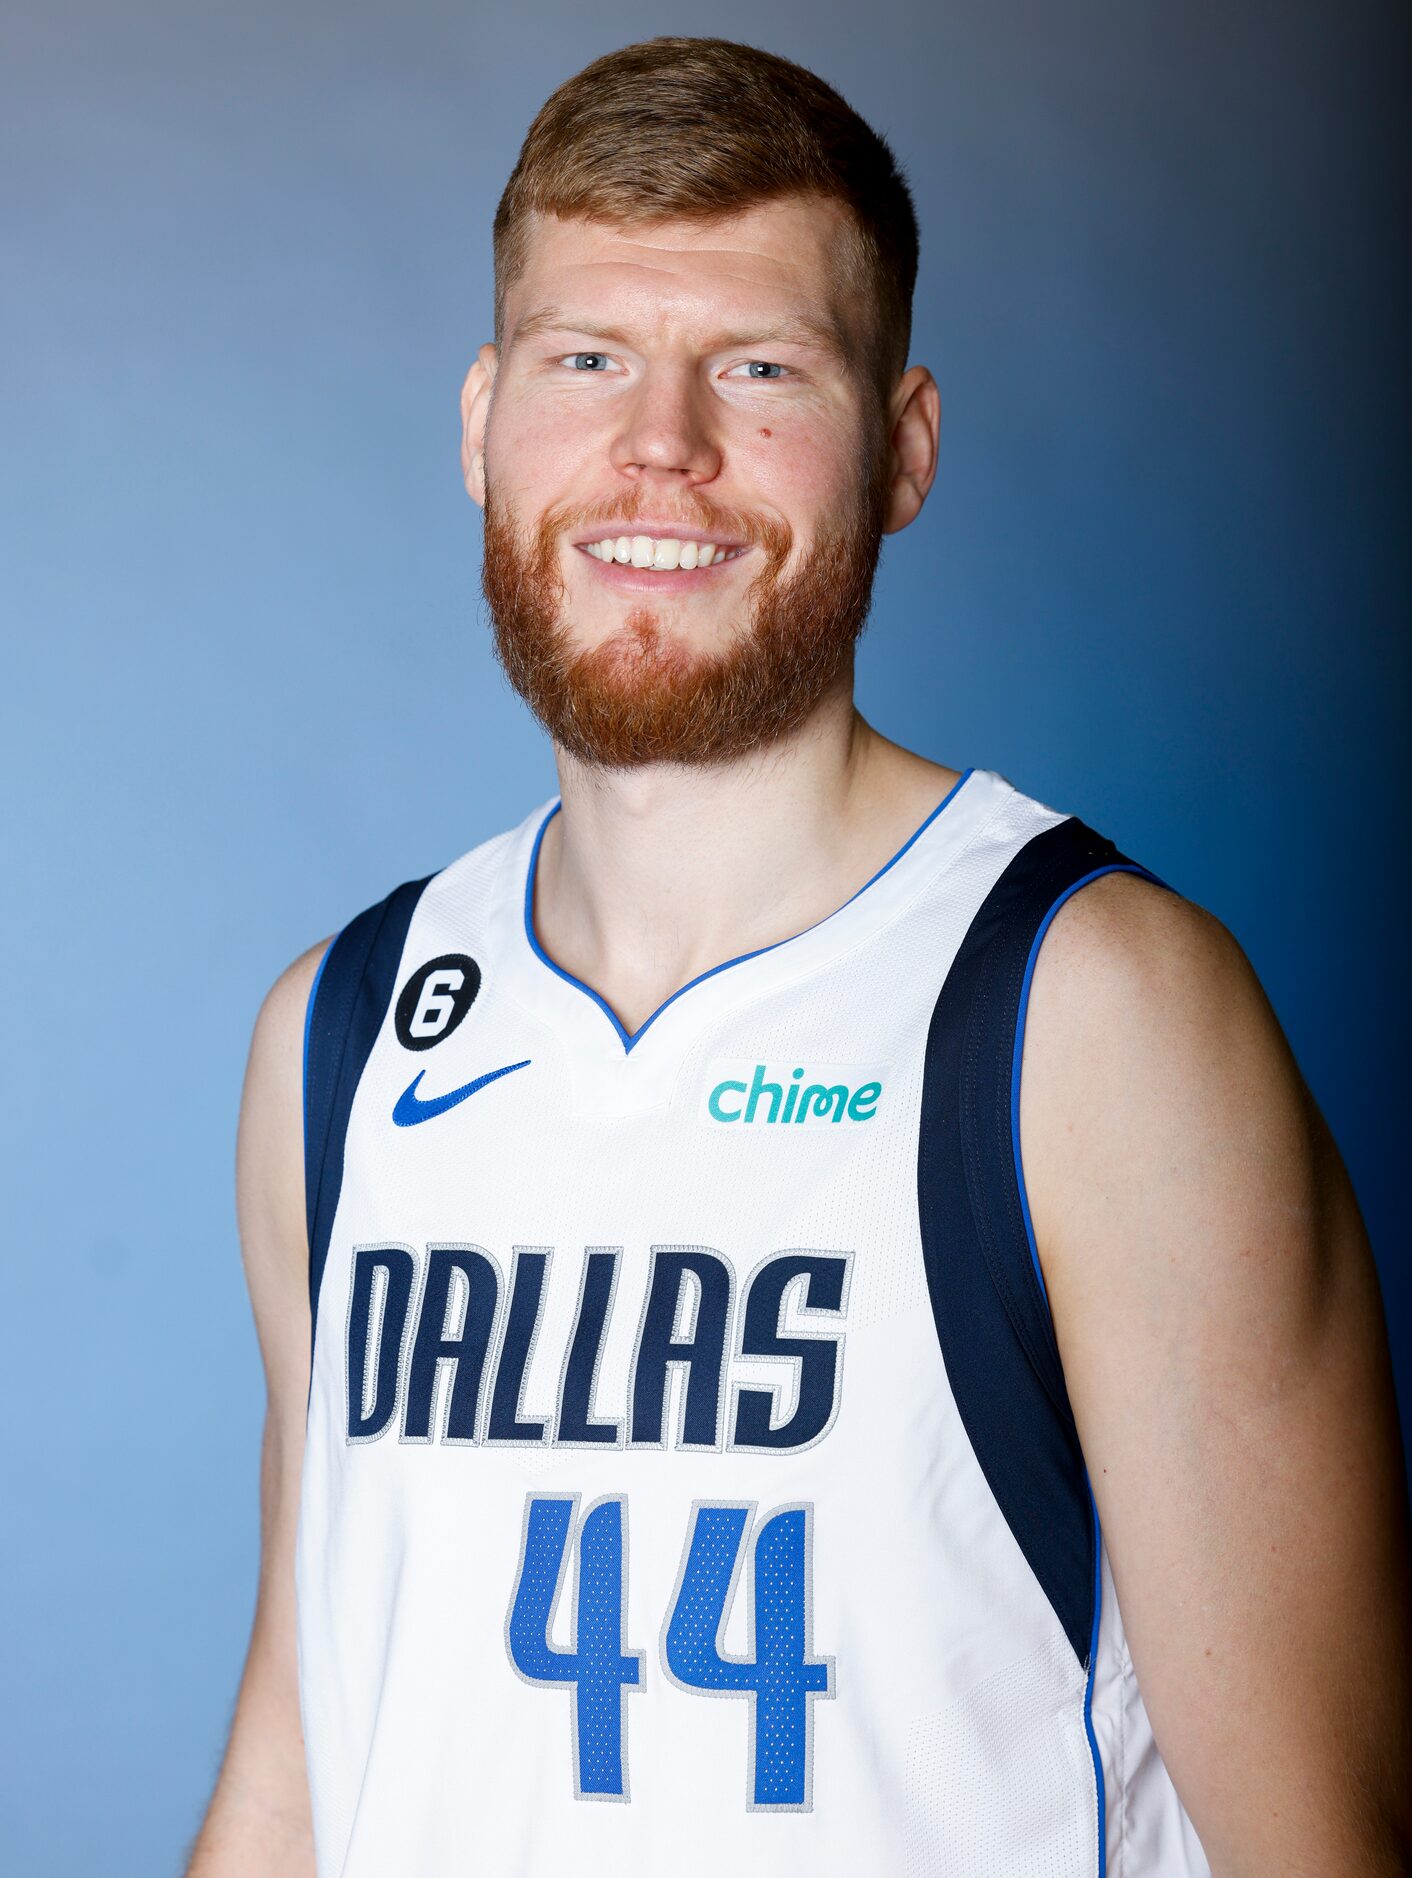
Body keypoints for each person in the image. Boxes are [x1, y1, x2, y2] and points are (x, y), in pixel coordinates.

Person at [185, 36, 1410, 1878]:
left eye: (758, 368)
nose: (658, 445)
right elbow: (308, 1730)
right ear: (480, 423)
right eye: (585, 358)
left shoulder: (1090, 1019)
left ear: (902, 447)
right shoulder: (341, 1035)